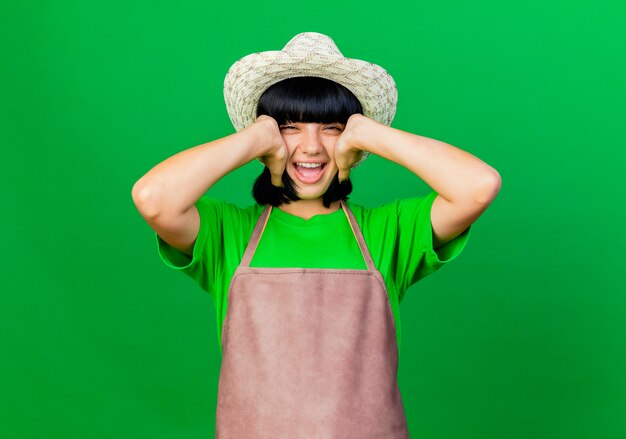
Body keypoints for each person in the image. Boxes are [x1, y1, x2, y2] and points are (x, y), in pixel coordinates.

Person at [132, 32, 501, 439]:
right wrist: (255, 138)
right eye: (290, 127)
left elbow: (478, 185)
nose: (310, 147)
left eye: (330, 127)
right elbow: (153, 198)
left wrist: (369, 133)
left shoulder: (390, 230)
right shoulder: (227, 233)